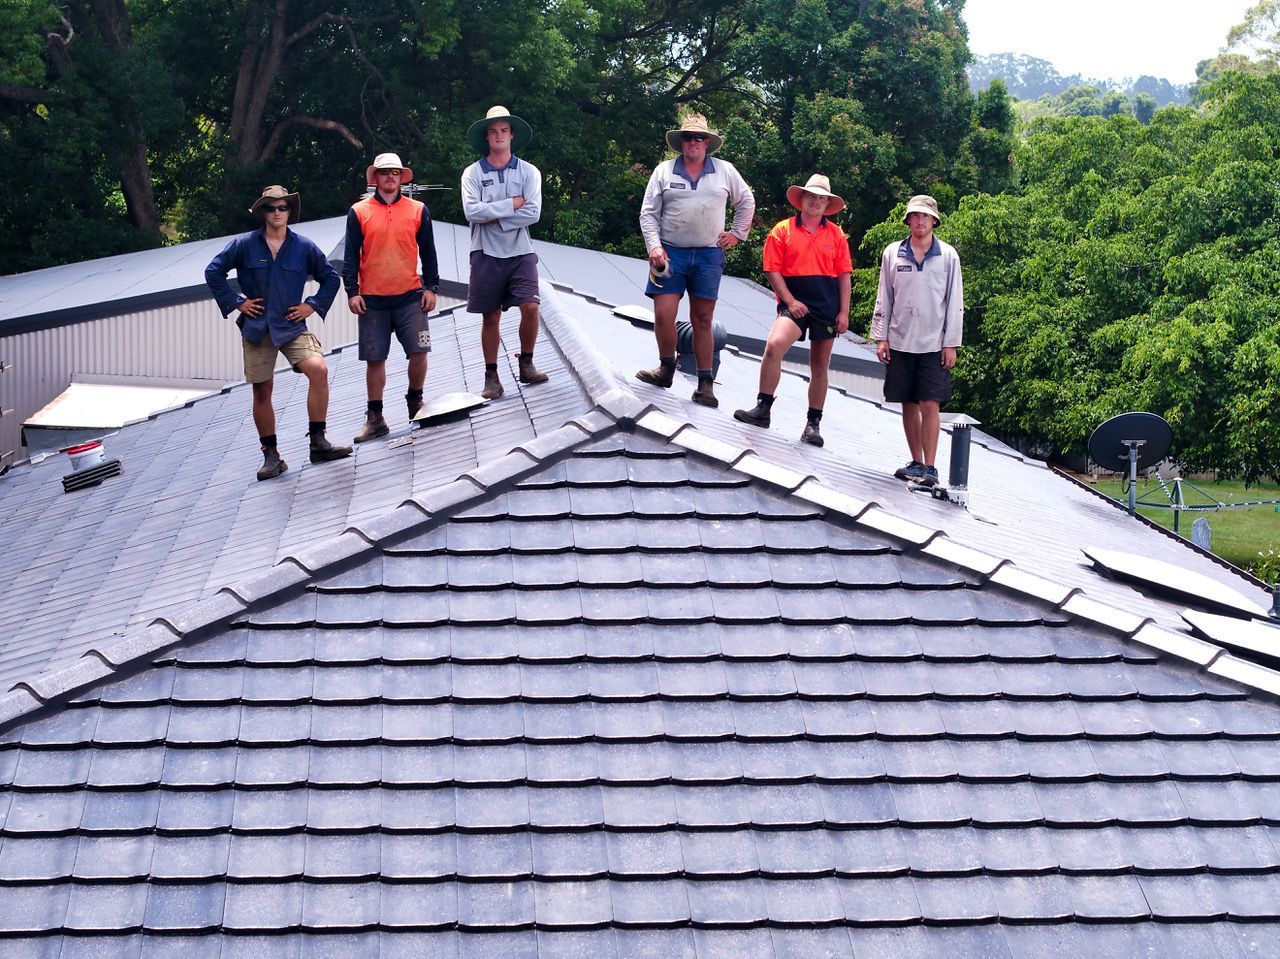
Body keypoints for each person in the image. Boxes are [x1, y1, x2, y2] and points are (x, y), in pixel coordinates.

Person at [205, 185, 351, 481]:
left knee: (319, 369)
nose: (277, 213)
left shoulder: (304, 246)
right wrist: (238, 302)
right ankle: (271, 456)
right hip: (258, 327)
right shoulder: (244, 245)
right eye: (271, 208)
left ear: (289, 212)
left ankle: (318, 441)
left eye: (282, 208)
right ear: (262, 212)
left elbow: (331, 279)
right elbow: (213, 272)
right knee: (262, 390)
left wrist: (312, 306)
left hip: (291, 324)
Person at [637, 113, 755, 408]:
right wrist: (654, 247)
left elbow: (746, 201)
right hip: (669, 251)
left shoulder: (725, 171)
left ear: (707, 143)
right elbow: (648, 213)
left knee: (702, 319)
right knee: (664, 313)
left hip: (707, 253)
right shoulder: (664, 171)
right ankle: (665, 368)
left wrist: (738, 234)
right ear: (681, 142)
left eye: (699, 138)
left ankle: (705, 383)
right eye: (688, 137)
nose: (693, 142)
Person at [734, 174, 852, 447]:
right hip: (794, 301)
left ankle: (813, 424)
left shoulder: (836, 235)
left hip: (826, 304)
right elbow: (772, 269)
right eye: (811, 196)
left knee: (820, 365)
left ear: (827, 204)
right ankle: (763, 408)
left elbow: (845, 275)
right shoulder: (782, 230)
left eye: (821, 198)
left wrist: (844, 312)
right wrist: (789, 301)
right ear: (802, 199)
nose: (815, 201)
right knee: (774, 345)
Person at [344, 151, 440, 442]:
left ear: (401, 177)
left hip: (410, 295)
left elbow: (429, 251)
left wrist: (431, 287)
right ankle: (375, 417)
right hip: (372, 299)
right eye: (384, 172)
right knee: (375, 359)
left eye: (395, 172)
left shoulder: (417, 209)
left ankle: (416, 401)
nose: (390, 177)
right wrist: (352, 291)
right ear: (375, 178)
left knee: (420, 351)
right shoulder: (359, 211)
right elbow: (350, 256)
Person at [870, 194, 964, 487]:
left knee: (929, 403)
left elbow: (954, 302)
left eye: (925, 216)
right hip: (899, 340)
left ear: (934, 220)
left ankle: (931, 467)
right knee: (908, 403)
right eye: (915, 216)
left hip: (933, 343)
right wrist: (881, 338)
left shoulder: (948, 255)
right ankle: (916, 462)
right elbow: (884, 295)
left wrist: (951, 343)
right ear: (908, 220)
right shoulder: (892, 253)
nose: (920, 221)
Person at [461, 105, 549, 400]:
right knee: (490, 316)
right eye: (493, 131)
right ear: (486, 137)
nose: (499, 136)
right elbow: (472, 212)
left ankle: (527, 362)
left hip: (521, 250)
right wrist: (512, 204)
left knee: (531, 307)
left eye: (504, 131)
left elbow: (534, 213)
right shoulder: (472, 173)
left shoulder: (529, 172)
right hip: (485, 252)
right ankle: (491, 376)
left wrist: (493, 215)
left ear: (512, 135)